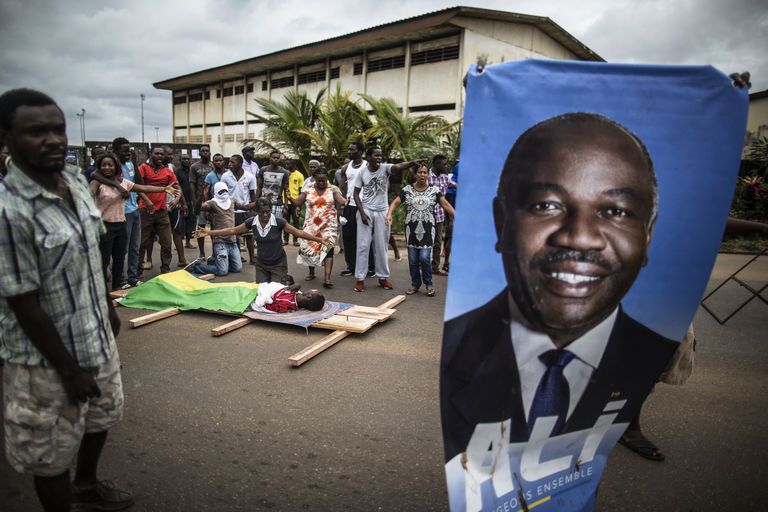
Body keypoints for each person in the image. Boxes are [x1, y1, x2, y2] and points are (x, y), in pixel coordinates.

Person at [440, 112, 680, 461]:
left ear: (648, 235)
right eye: (546, 205)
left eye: (616, 211)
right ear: (501, 224)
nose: (580, 238)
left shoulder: (652, 353)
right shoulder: (460, 346)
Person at [0, 88, 133, 511]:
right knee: (49, 451)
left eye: (58, 129)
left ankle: (87, 486)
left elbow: (92, 255)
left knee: (102, 415)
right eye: (37, 131)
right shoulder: (8, 210)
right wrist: (68, 369)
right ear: (6, 138)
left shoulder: (76, 181)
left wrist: (109, 309)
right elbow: (24, 303)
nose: (54, 139)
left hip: (96, 336)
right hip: (44, 359)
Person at [89, 153, 177, 290]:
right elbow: (89, 194)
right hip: (104, 226)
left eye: (110, 165)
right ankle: (99, 291)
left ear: (115, 167)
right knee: (104, 259)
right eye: (103, 165)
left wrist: (164, 189)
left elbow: (144, 188)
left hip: (120, 224)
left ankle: (117, 288)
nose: (107, 167)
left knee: (119, 259)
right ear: (99, 167)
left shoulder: (124, 183)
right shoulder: (97, 183)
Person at [196, 197, 329, 283]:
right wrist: (209, 232)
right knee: (262, 292)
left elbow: (298, 232)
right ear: (256, 212)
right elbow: (233, 230)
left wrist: (320, 240)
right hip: (262, 265)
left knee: (276, 292)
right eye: (261, 212)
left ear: (271, 210)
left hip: (278, 263)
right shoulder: (251, 222)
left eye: (268, 211)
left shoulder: (278, 221)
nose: (265, 215)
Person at [351, 146, 423, 292]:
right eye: (376, 155)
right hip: (366, 210)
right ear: (369, 157)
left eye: (380, 156)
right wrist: (363, 213)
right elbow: (356, 194)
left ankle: (382, 277)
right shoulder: (362, 172)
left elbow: (397, 167)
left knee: (381, 245)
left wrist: (411, 163)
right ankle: (360, 279)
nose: (379, 158)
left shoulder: (385, 168)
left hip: (382, 211)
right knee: (363, 245)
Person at [386, 165, 455, 297]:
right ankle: (415, 284)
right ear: (415, 174)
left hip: (428, 230)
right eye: (420, 172)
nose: (422, 175)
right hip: (411, 230)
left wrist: (457, 216)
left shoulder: (434, 190)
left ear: (428, 175)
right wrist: (389, 213)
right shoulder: (407, 190)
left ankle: (429, 284)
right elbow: (395, 202)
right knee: (412, 260)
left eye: (424, 172)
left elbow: (445, 204)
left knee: (424, 258)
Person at [290, 167, 347, 288]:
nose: (321, 183)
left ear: (327, 179)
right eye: (318, 181)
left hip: (328, 225)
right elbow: (298, 202)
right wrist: (290, 198)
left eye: (324, 181)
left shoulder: (333, 189)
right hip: (312, 225)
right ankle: (311, 272)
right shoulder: (308, 189)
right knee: (311, 249)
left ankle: (327, 278)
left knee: (329, 248)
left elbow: (341, 200)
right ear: (314, 179)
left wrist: (346, 201)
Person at [137, 146, 178, 277]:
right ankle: (137, 272)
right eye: (157, 154)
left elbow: (177, 187)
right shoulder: (143, 168)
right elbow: (137, 187)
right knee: (142, 243)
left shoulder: (167, 171)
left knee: (166, 242)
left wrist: (176, 199)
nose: (160, 156)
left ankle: (165, 270)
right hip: (145, 211)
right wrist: (146, 200)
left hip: (162, 211)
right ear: (150, 154)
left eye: (161, 154)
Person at [110, 137, 145, 289]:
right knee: (122, 248)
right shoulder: (112, 166)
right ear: (116, 151)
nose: (128, 153)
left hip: (134, 209)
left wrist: (135, 164)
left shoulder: (130, 164)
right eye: (124, 151)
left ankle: (133, 277)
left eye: (129, 150)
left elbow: (138, 184)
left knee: (135, 246)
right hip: (121, 211)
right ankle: (121, 279)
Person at [190, 182, 242, 276]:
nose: (224, 193)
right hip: (220, 242)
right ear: (217, 192)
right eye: (221, 191)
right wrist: (202, 195)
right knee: (222, 271)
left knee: (237, 268)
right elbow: (197, 210)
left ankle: (215, 261)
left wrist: (261, 201)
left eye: (225, 191)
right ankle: (196, 266)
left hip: (232, 242)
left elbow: (245, 207)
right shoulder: (212, 203)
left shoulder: (232, 201)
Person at [221, 154, 258, 264]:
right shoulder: (225, 176)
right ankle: (237, 258)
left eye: (232, 162)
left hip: (245, 212)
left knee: (249, 236)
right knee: (234, 237)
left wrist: (253, 211)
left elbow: (252, 195)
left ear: (240, 164)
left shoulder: (250, 177)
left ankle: (252, 258)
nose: (229, 164)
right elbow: (223, 194)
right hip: (230, 212)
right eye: (229, 162)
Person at [427, 155, 455, 276]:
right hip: (426, 215)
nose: (446, 166)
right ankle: (423, 266)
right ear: (437, 164)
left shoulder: (445, 178)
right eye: (444, 164)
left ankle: (435, 267)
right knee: (425, 241)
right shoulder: (426, 175)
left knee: (437, 242)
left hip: (439, 216)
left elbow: (454, 185)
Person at [190, 144, 214, 259]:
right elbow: (192, 185)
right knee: (200, 226)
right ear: (199, 153)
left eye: (207, 151)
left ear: (210, 153)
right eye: (202, 151)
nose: (204, 153)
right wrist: (195, 202)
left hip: (213, 201)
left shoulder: (213, 166)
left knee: (214, 227)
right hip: (200, 201)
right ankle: (202, 252)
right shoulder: (194, 167)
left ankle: (214, 252)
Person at [248, 281, 325, 313]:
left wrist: (263, 294)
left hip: (254, 292)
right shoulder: (299, 295)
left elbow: (264, 304)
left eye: (314, 291)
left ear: (308, 297)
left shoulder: (286, 303)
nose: (312, 289)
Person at [258, 150, 290, 219]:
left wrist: (285, 206)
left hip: (277, 204)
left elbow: (286, 190)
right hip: (263, 203)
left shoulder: (284, 172)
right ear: (270, 158)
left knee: (276, 226)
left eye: (277, 158)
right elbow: (259, 187)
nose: (276, 159)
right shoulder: (263, 170)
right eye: (274, 157)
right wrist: (256, 202)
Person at [178, 153, 197, 249]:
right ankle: (180, 242)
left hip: (192, 199)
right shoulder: (178, 172)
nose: (186, 161)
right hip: (182, 200)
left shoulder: (192, 171)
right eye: (183, 159)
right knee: (181, 221)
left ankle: (188, 242)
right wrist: (179, 201)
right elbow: (176, 187)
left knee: (191, 220)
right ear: (180, 160)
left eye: (187, 159)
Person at [284, 159, 305, 246]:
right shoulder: (284, 174)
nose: (286, 165)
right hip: (285, 201)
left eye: (288, 164)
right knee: (285, 221)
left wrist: (299, 205)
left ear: (293, 165)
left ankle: (295, 240)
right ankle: (285, 240)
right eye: (285, 164)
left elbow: (301, 191)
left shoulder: (299, 175)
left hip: (295, 201)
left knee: (296, 222)